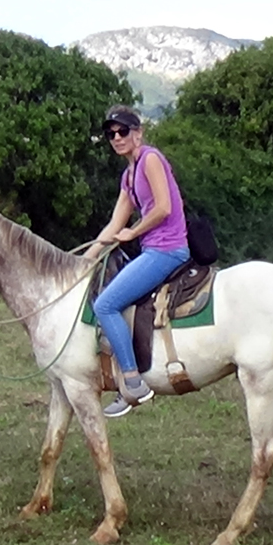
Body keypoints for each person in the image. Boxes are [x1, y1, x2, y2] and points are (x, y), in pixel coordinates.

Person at [87, 105, 190, 418]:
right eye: (110, 134)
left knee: (104, 305)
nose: (116, 138)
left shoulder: (151, 159)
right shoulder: (128, 176)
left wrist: (134, 231)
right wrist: (84, 259)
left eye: (123, 131)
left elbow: (163, 208)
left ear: (138, 133)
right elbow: (115, 224)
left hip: (168, 249)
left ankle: (133, 383)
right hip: (151, 249)